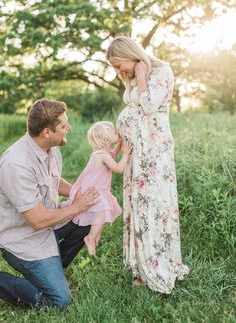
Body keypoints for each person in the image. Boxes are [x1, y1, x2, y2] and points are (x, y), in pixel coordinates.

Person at [106, 36, 189, 294]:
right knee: (139, 205)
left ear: (132, 54)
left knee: (155, 205)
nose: (120, 71)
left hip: (154, 153)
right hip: (137, 153)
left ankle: (159, 267)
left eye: (120, 65)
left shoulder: (161, 70)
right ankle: (142, 268)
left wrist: (140, 74)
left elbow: (150, 105)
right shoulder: (134, 76)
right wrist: (130, 78)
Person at [0, 98, 100, 309]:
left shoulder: (51, 148)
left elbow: (53, 180)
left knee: (93, 213)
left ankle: (52, 269)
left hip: (49, 224)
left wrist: (78, 194)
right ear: (46, 132)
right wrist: (76, 206)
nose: (69, 128)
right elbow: (36, 221)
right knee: (59, 301)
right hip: (24, 239)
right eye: (64, 125)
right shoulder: (16, 164)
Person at [60, 121, 132, 256]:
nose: (117, 134)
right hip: (96, 192)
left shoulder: (101, 153)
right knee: (103, 211)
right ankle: (91, 237)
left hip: (100, 191)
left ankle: (95, 235)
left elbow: (113, 154)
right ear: (105, 138)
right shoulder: (101, 155)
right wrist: (126, 154)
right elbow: (119, 168)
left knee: (104, 214)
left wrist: (120, 143)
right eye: (115, 133)